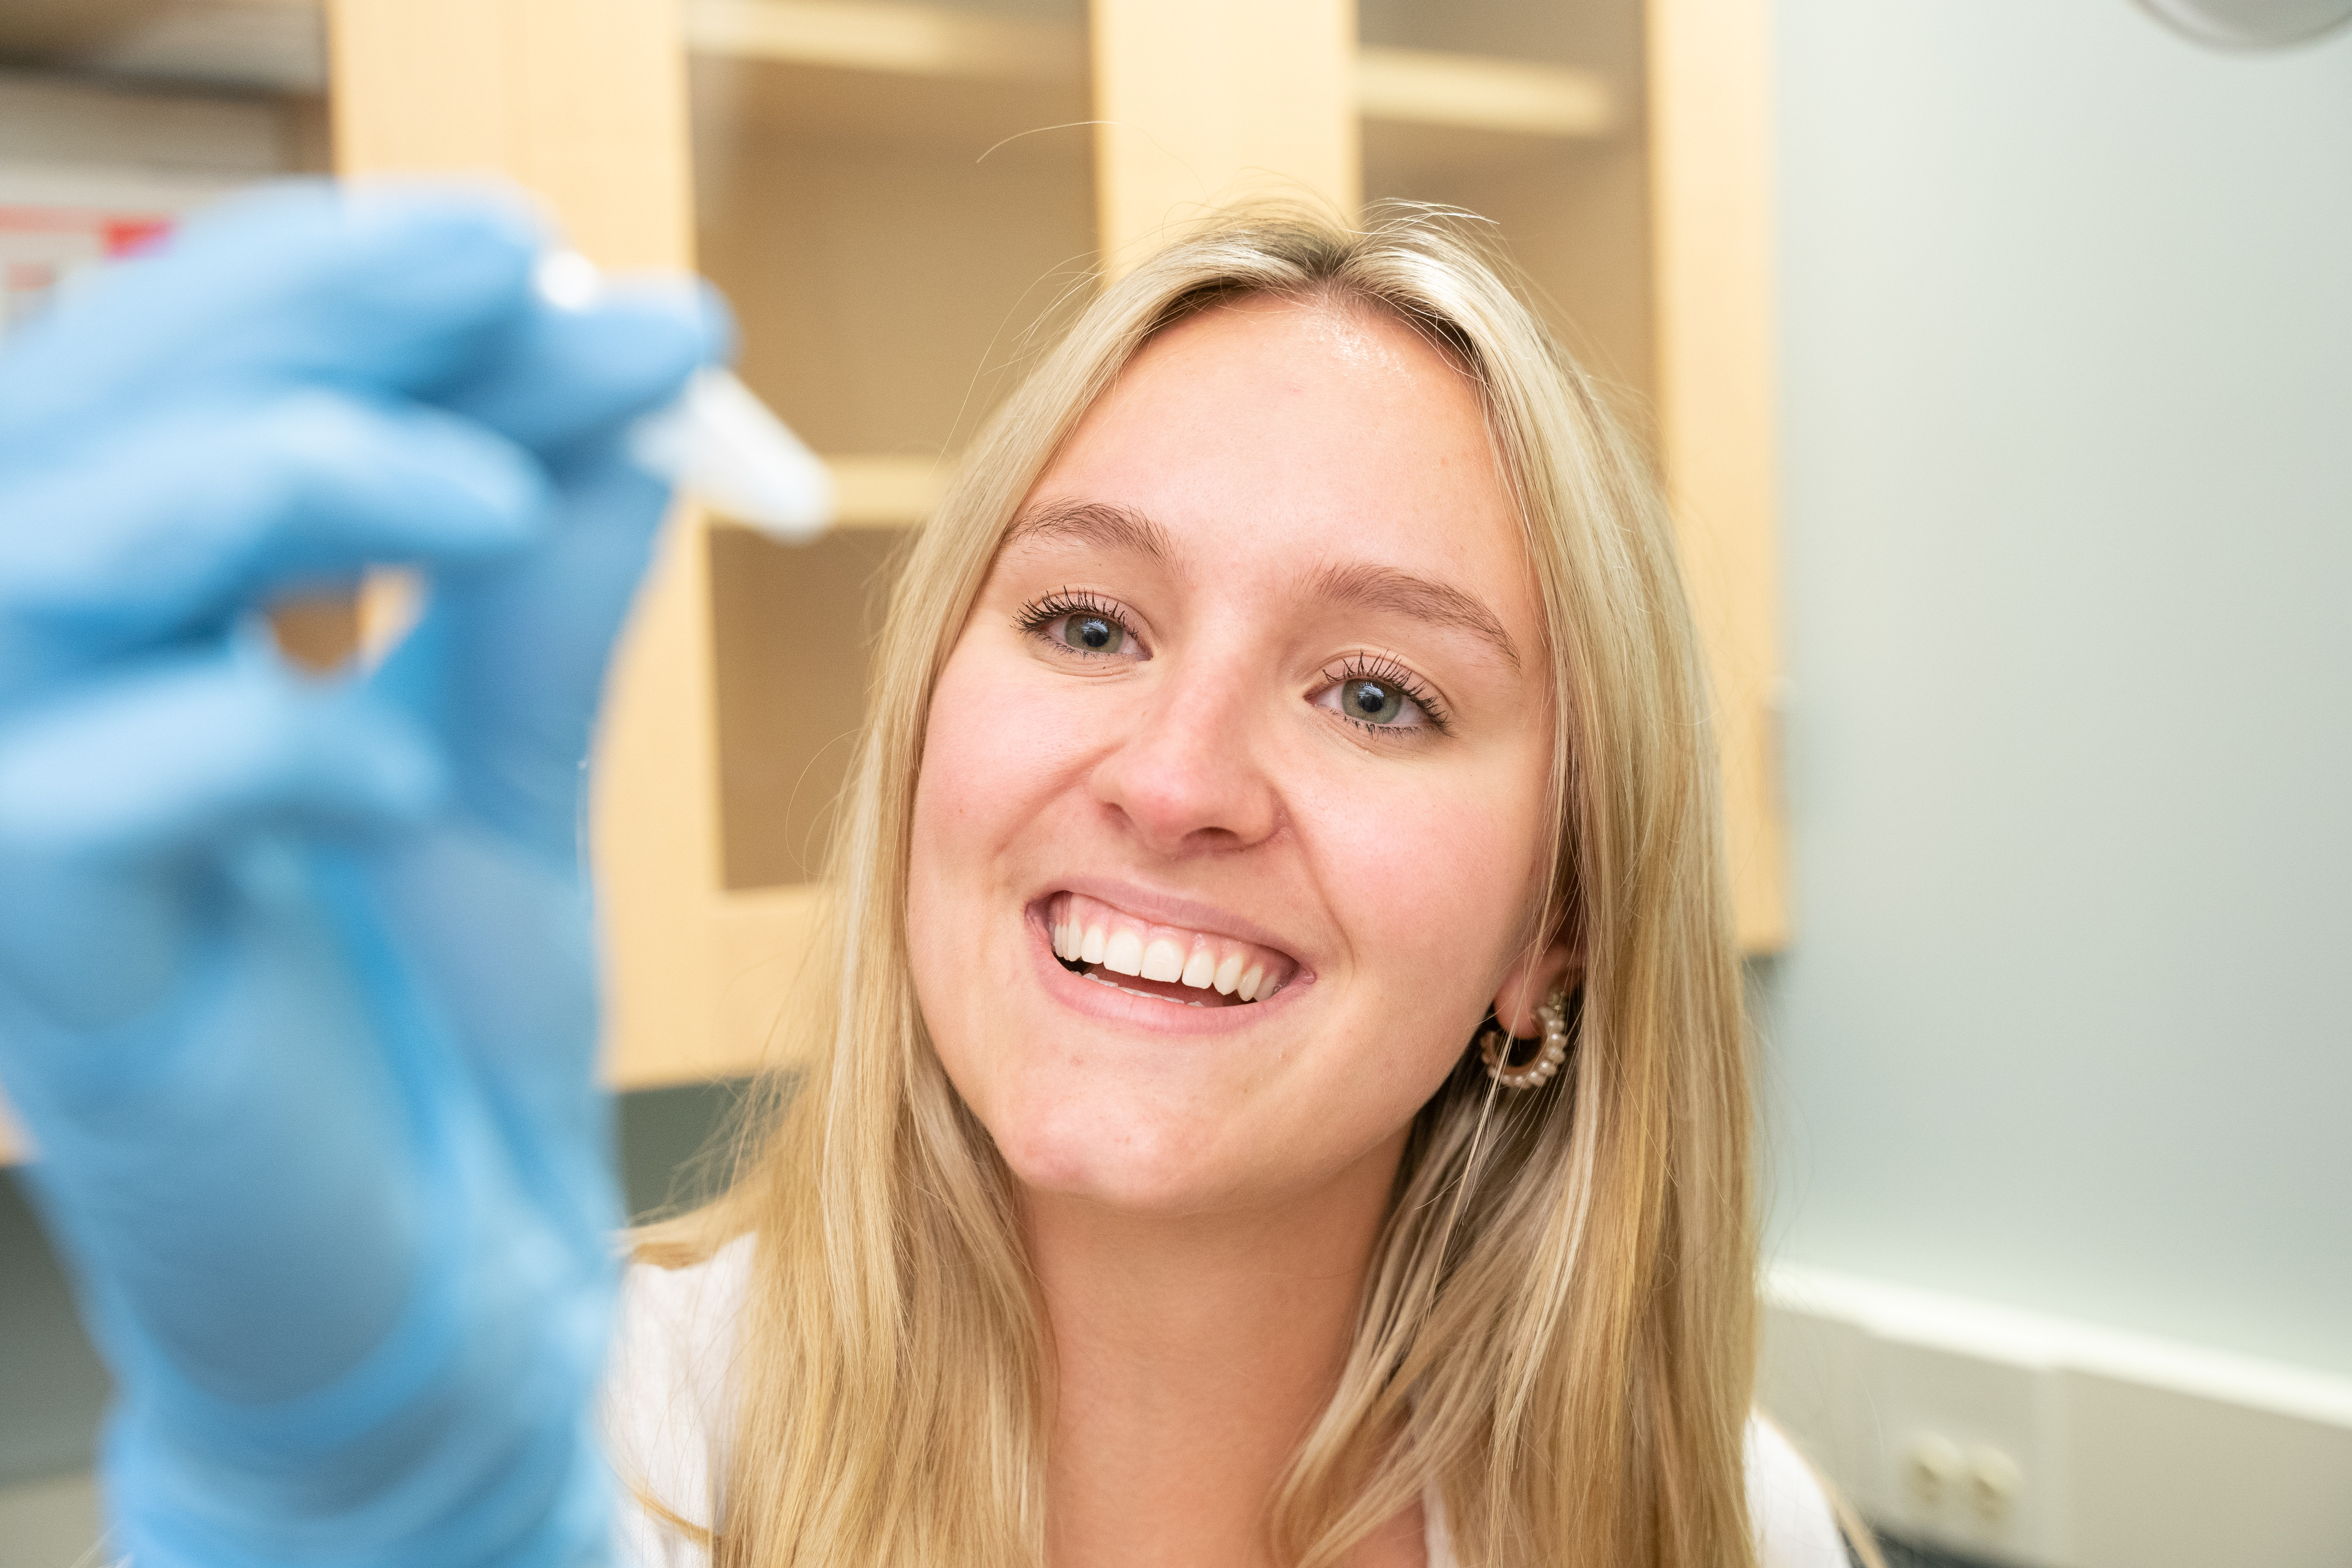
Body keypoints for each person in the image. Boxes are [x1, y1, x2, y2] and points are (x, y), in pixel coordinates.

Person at [0, 185, 1858, 1568]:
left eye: (1379, 692)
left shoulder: (1717, 1520)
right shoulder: (595, 1461)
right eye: (1085, 619)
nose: (1178, 778)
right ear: (919, 741)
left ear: (1559, 929)